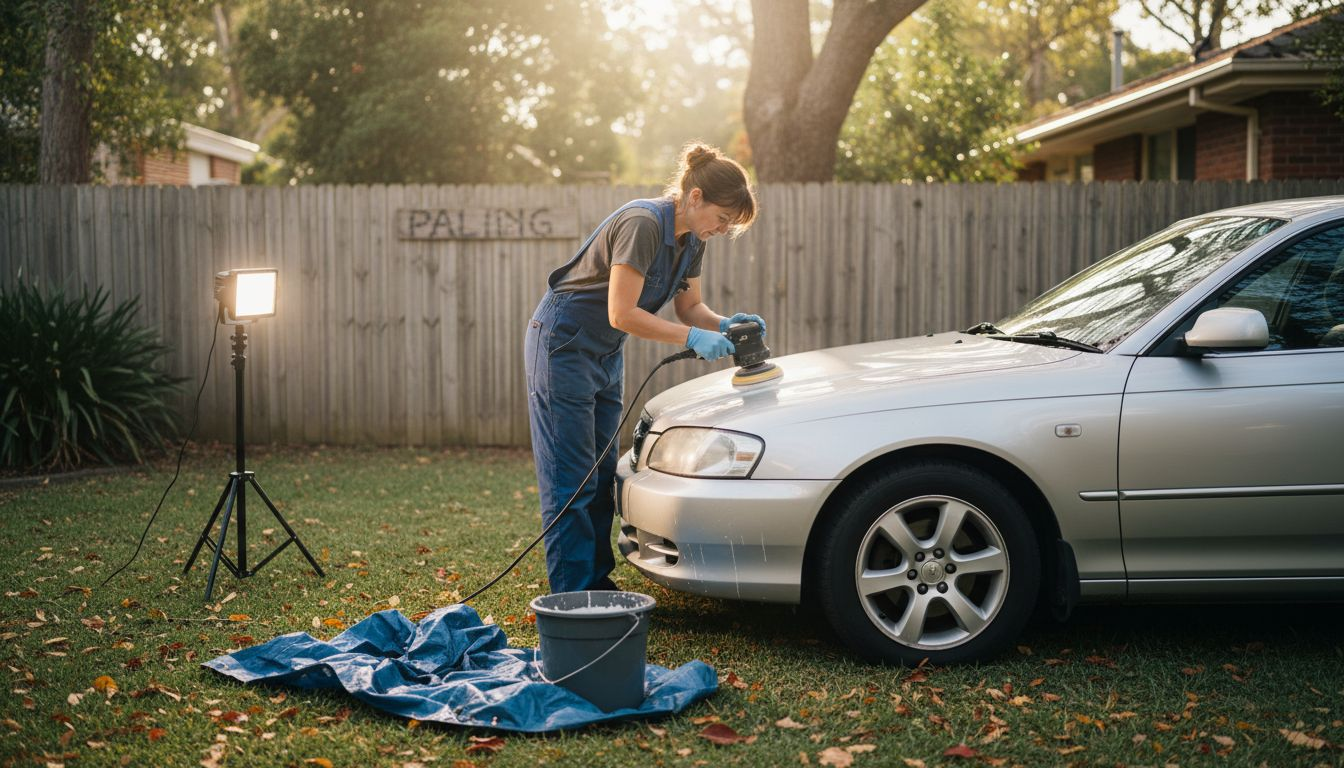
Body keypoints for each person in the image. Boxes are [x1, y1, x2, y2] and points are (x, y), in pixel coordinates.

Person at [524, 142, 764, 594]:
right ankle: (574, 597)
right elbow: (621, 313)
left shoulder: (693, 240)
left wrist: (724, 325)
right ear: (695, 197)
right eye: (722, 218)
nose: (722, 229)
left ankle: (597, 585)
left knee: (599, 476)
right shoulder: (643, 223)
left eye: (729, 224)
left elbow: (690, 307)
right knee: (570, 480)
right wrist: (691, 338)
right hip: (563, 345)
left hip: (604, 352)